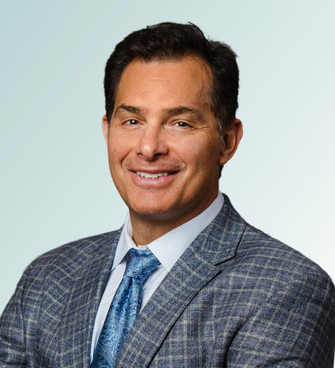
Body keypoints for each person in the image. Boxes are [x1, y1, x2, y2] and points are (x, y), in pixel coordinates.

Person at [0, 22, 334, 368]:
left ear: (227, 141)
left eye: (180, 123)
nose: (148, 148)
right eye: (132, 121)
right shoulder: (46, 279)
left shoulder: (285, 288)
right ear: (107, 130)